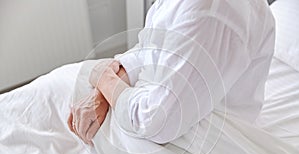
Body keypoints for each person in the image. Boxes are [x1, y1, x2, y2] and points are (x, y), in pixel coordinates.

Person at [68, 0, 275, 146]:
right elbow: (148, 50)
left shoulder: (212, 10)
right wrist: (102, 93)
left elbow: (157, 122)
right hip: (165, 114)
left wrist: (104, 78)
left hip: (205, 144)